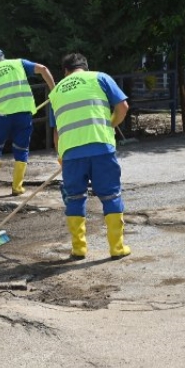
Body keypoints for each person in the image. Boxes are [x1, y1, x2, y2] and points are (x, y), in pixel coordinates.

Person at [49, 53, 131, 259]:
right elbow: (123, 107)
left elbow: (56, 130)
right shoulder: (99, 77)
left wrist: (61, 155)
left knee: (75, 198)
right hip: (101, 148)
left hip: (71, 153)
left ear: (65, 71)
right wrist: (110, 124)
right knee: (111, 195)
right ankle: (117, 248)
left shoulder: (55, 91)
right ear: (85, 67)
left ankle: (79, 248)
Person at [0, 48, 56, 196]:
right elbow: (43, 69)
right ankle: (17, 187)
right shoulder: (19, 63)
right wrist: (54, 91)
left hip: (4, 117)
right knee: (22, 148)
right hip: (24, 114)